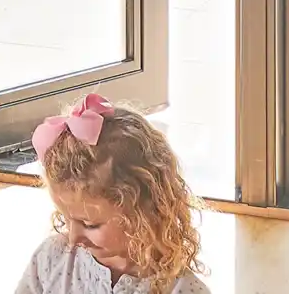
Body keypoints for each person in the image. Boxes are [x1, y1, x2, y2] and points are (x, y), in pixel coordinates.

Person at [16, 94, 211, 294]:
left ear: (142, 213)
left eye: (90, 225)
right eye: (66, 218)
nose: (74, 238)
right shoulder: (52, 259)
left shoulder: (180, 288)